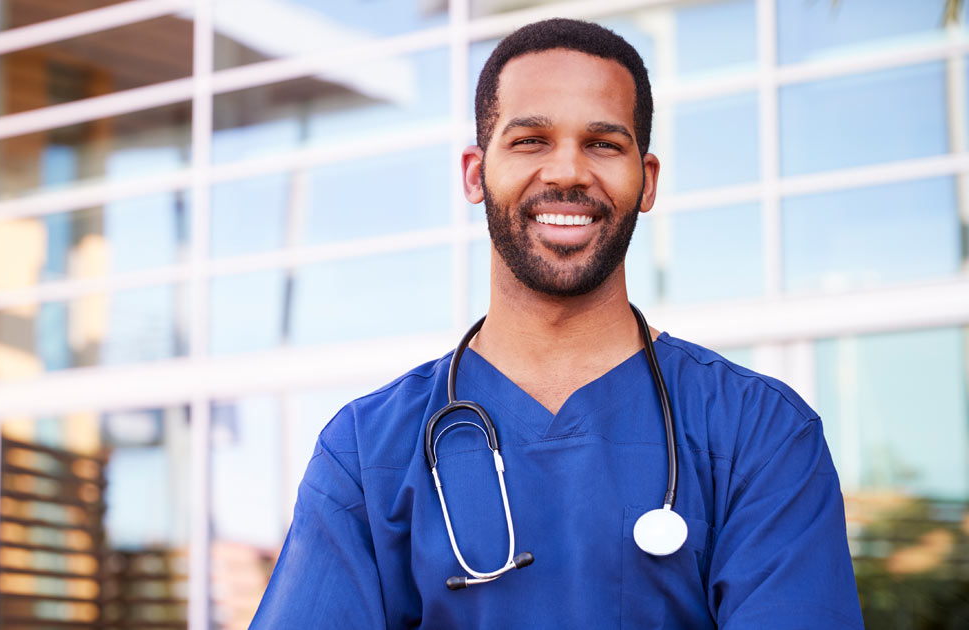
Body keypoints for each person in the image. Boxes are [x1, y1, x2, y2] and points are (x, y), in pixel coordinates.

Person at [250, 18, 863, 629]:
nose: (567, 171)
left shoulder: (761, 435)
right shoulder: (366, 452)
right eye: (530, 140)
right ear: (473, 172)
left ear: (645, 181)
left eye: (603, 144)